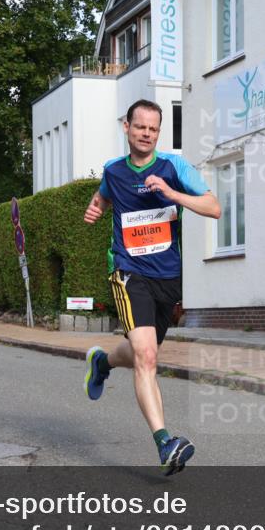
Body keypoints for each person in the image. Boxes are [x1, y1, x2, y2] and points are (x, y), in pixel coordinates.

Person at [82, 99, 221, 476]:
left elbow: (213, 207)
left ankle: (103, 361)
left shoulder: (173, 166)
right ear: (126, 126)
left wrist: (172, 194)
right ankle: (165, 443)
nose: (146, 134)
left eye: (153, 129)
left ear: (159, 132)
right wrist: (95, 208)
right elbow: (104, 195)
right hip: (129, 273)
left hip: (168, 278)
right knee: (146, 357)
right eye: (140, 126)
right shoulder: (113, 171)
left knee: (144, 354)